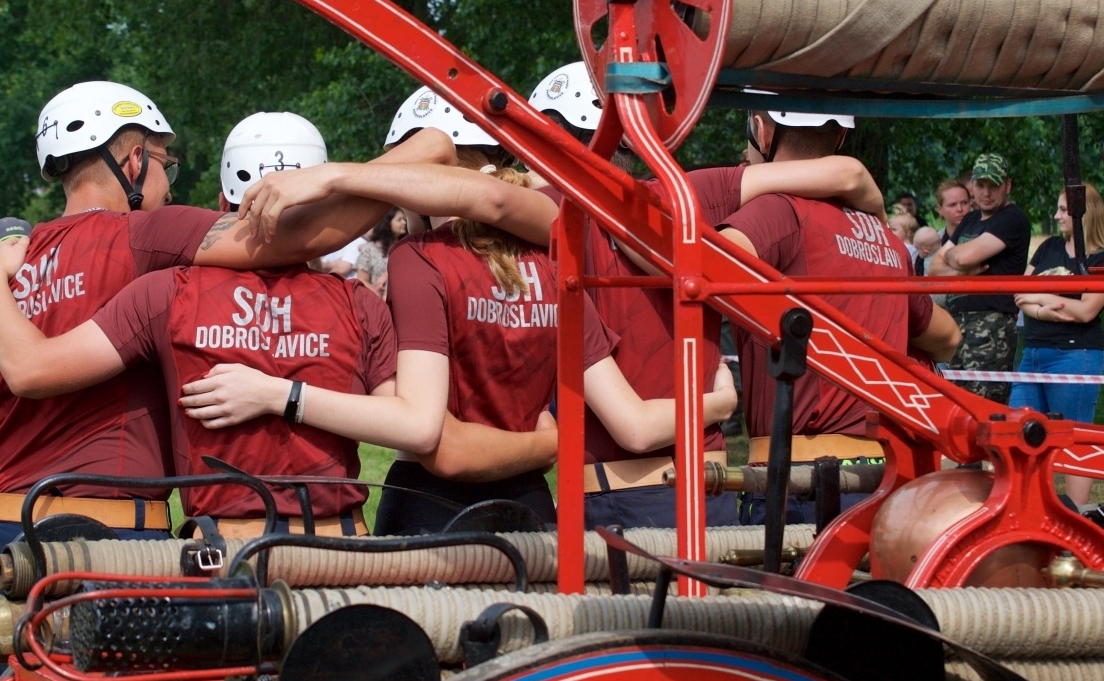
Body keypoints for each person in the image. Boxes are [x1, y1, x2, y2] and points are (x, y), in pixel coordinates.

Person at [0, 84, 448, 681]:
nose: (165, 181)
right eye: (164, 162)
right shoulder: (150, 239)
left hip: (0, 542)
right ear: (132, 162)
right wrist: (406, 161)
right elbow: (294, 240)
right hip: (120, 544)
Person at [260, 77, 883, 528]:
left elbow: (489, 201)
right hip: (709, 490)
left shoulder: (556, 236)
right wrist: (719, 398)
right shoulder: (684, 201)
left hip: (615, 501)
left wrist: (337, 176)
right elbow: (850, 178)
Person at [205, 114, 740, 534]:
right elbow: (635, 423)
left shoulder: (420, 259)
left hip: (430, 511)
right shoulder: (554, 261)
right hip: (530, 505)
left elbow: (438, 442)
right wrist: (716, 403)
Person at [0, 113, 410, 536]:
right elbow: (406, 426)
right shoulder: (360, 304)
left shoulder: (164, 293)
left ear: (223, 205)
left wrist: (277, 395)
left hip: (220, 552)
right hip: (341, 546)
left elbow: (35, 368)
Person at [719, 108, 960, 524]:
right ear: (841, 140)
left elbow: (703, 265)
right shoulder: (882, 234)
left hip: (801, 485)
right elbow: (948, 338)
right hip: (884, 475)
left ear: (760, 129)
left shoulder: (776, 211)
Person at [1010, 186, 1104, 504]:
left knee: (1074, 435)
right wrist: (1048, 307)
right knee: (1019, 429)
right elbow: (1020, 294)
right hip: (1033, 352)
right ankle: (1025, 507)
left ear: (1084, 213)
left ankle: (1077, 514)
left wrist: (1041, 298)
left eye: (1062, 210)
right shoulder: (1049, 247)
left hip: (1076, 354)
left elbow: (1086, 311)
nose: (1056, 216)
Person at [928, 154, 1031, 404]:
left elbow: (962, 257)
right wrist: (964, 271)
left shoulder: (1012, 218)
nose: (986, 193)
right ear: (972, 185)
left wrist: (956, 260)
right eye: (980, 185)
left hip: (991, 326)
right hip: (955, 324)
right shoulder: (972, 219)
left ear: (1007, 185)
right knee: (952, 405)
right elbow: (933, 268)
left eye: (993, 185)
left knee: (984, 407)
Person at [356, 208, 407, 298]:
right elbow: (361, 279)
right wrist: (376, 293)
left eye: (404, 219)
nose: (404, 223)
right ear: (388, 223)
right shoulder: (370, 250)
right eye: (399, 220)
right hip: (379, 302)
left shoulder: (405, 248)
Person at [934, 178, 971, 245]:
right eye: (953, 205)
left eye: (964, 203)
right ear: (940, 209)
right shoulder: (933, 242)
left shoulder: (984, 234)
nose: (959, 209)